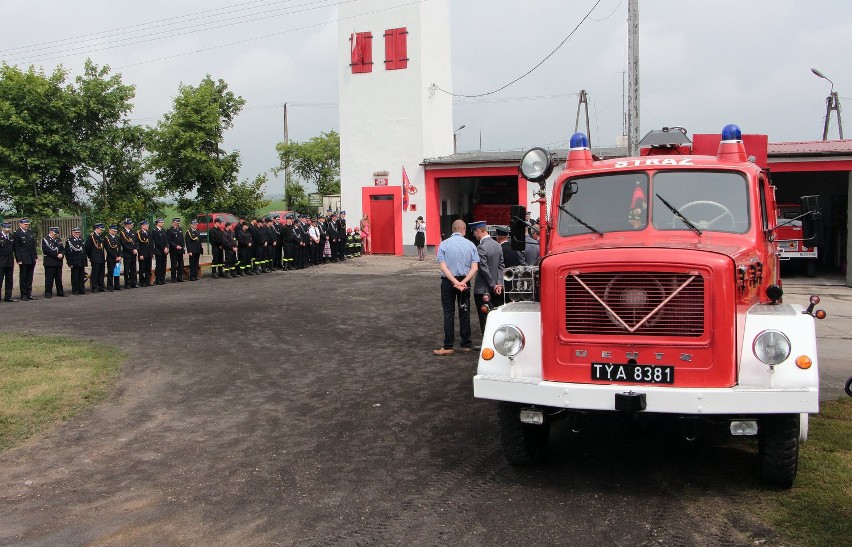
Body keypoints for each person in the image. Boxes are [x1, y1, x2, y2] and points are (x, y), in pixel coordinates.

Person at [433, 219, 479, 356]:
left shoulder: (443, 244)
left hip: (448, 282)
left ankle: (448, 345)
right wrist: (462, 282)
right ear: (463, 230)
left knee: (449, 313)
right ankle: (466, 344)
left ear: (453, 230)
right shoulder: (471, 245)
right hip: (465, 282)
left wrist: (454, 281)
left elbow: (443, 266)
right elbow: (475, 268)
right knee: (464, 311)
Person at [471, 221, 504, 333]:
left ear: (479, 230)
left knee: (484, 319)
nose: (474, 235)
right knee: (496, 318)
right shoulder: (498, 245)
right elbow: (501, 267)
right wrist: (498, 283)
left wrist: (493, 285)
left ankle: (486, 345)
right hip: (497, 289)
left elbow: (483, 269)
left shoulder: (481, 247)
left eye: (474, 232)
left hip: (483, 289)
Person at [13, 218, 38, 300]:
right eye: (25, 224)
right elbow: (16, 248)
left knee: (30, 277)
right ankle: (23, 294)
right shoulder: (17, 234)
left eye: (27, 224)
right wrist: (18, 259)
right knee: (23, 277)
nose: (27, 225)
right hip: (23, 259)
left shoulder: (30, 232)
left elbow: (33, 246)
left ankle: (29, 293)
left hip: (31, 258)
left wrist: (35, 257)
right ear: (20, 224)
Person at [41, 227, 67, 298]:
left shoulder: (58, 240)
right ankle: (48, 292)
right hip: (50, 262)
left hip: (58, 262)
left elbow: (62, 249)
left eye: (57, 234)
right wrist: (56, 255)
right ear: (51, 232)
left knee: (59, 278)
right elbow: (46, 250)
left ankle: (60, 292)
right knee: (49, 278)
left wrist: (62, 254)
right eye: (55, 234)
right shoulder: (45, 240)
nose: (56, 235)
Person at [65, 226, 87, 295]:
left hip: (81, 261)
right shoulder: (69, 240)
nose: (78, 233)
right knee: (75, 277)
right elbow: (68, 253)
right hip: (74, 261)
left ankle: (81, 289)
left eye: (79, 232)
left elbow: (83, 251)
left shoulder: (81, 239)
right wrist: (70, 263)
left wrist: (84, 261)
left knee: (81, 276)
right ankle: (75, 290)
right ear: (72, 233)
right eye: (76, 232)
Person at [85, 223, 106, 293]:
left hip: (101, 257)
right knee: (95, 273)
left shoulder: (100, 236)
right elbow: (87, 248)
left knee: (101, 273)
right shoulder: (91, 236)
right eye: (101, 229)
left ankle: (101, 287)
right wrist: (91, 257)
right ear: (97, 229)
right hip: (95, 257)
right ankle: (94, 287)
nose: (102, 231)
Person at [120, 219, 139, 288]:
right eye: (131, 224)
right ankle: (127, 283)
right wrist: (131, 250)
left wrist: (136, 249)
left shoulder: (133, 232)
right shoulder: (123, 233)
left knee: (133, 269)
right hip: (127, 254)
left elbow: (136, 242)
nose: (132, 225)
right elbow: (124, 244)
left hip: (134, 253)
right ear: (127, 225)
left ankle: (133, 282)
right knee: (127, 269)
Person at [0, 221, 16, 302]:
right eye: (6, 228)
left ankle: (8, 296)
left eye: (9, 228)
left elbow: (15, 249)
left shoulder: (12, 236)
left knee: (9, 280)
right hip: (1, 261)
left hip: (10, 261)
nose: (7, 230)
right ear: (2, 227)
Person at [104, 224, 122, 291]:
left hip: (117, 258)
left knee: (117, 272)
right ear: (110, 230)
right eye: (113, 231)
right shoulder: (107, 238)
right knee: (111, 273)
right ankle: (110, 286)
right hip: (111, 258)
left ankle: (117, 285)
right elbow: (108, 249)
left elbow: (119, 248)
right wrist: (115, 257)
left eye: (115, 231)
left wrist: (120, 256)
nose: (115, 232)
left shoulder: (117, 238)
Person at [152, 218, 169, 285]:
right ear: (157, 223)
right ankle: (158, 279)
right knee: (159, 265)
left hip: (164, 250)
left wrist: (166, 247)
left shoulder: (163, 230)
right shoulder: (155, 231)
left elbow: (166, 240)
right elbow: (157, 242)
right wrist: (163, 248)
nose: (163, 223)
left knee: (163, 265)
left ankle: (162, 278)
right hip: (159, 251)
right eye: (161, 222)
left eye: (163, 222)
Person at [168, 218, 186, 282]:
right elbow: (169, 241)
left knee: (181, 264)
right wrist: (176, 246)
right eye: (176, 223)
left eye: (178, 223)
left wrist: (183, 246)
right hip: (174, 250)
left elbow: (182, 239)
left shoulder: (180, 229)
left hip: (180, 250)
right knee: (174, 264)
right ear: (173, 222)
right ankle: (173, 278)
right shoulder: (170, 230)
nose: (177, 224)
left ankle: (180, 277)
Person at [136, 220, 152, 287]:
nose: (147, 226)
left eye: (148, 225)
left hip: (149, 253)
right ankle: (142, 282)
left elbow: (151, 243)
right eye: (146, 225)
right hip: (143, 254)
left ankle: (147, 281)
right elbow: (138, 245)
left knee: (148, 268)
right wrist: (140, 254)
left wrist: (151, 253)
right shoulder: (139, 234)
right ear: (142, 226)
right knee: (142, 269)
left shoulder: (149, 233)